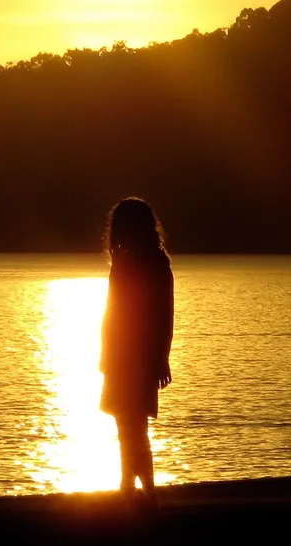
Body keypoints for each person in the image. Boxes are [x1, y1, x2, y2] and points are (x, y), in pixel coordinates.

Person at [99, 197, 174, 501]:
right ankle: (129, 487)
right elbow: (111, 311)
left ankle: (145, 491)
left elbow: (163, 316)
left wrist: (161, 360)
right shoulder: (125, 261)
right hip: (119, 356)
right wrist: (104, 356)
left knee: (133, 427)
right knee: (126, 425)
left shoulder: (155, 264)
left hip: (137, 358)